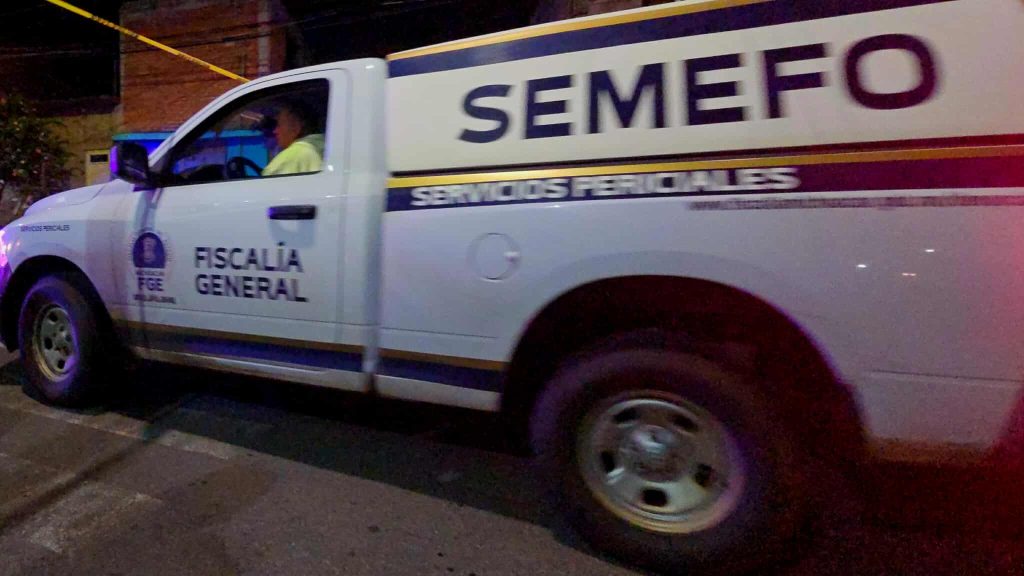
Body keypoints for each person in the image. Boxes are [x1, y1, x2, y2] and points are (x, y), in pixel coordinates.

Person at [262, 100, 325, 176]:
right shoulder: (327, 148)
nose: (275, 131)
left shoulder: (288, 159)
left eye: (279, 124)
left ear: (296, 126)